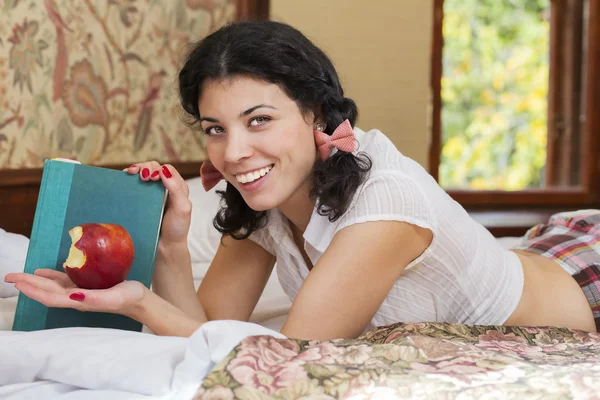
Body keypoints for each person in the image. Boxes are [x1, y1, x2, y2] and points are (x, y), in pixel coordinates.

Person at [5, 21, 599, 340]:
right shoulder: (265, 197)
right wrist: (175, 245)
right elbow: (209, 332)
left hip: (584, 282)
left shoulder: (385, 202)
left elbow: (286, 361)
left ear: (317, 113)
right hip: (539, 253)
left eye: (259, 120)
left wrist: (139, 304)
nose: (235, 154)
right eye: (215, 128)